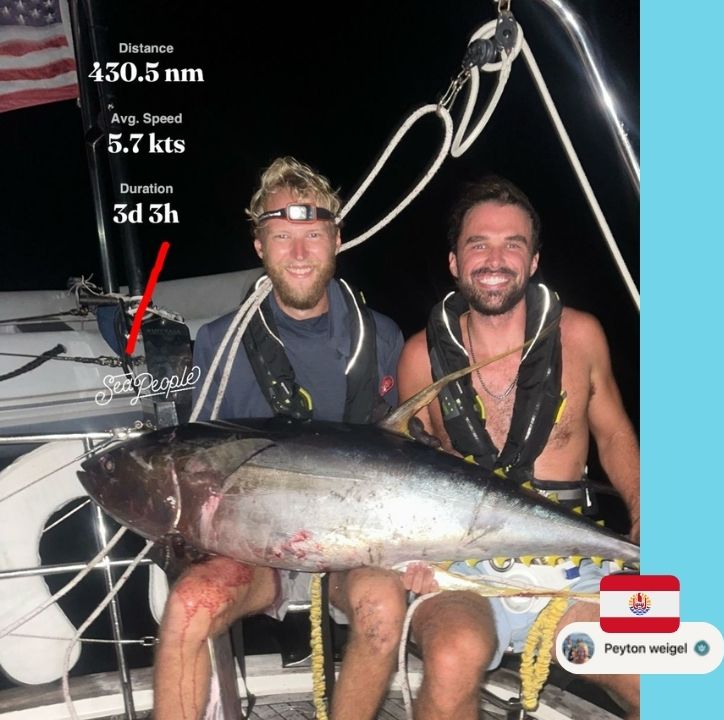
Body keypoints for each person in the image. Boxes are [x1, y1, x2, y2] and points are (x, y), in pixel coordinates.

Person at [156, 157, 409, 720]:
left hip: (352, 543)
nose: (298, 253)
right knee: (189, 605)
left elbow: (400, 461)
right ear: (259, 246)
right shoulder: (219, 343)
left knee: (383, 609)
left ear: (337, 240)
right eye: (281, 237)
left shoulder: (383, 337)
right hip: (255, 553)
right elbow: (200, 467)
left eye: (312, 235)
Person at [397, 176, 640, 719]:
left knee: (653, 674)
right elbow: (405, 470)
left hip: (574, 567)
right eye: (478, 243)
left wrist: (645, 507)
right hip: (466, 573)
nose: (495, 258)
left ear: (532, 263)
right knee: (453, 656)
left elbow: (615, 433)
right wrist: (410, 554)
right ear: (455, 262)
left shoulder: (581, 337)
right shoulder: (419, 358)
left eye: (513, 244)